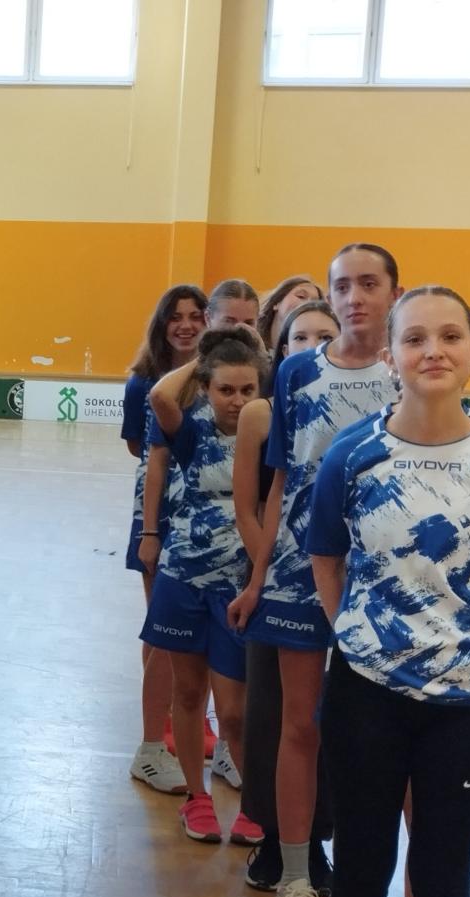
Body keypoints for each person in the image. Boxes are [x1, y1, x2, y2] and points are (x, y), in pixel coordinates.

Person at [309, 286, 470, 897]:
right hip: (366, 697)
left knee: (444, 877)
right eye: (414, 338)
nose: (433, 351)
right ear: (390, 355)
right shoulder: (353, 454)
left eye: (450, 336)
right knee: (360, 869)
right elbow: (326, 556)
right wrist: (361, 640)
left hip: (469, 705)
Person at [228, 243, 401, 897]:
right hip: (297, 574)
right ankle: (296, 879)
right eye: (343, 285)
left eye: (369, 284)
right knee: (298, 724)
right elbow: (282, 485)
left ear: (393, 293)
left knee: (369, 738)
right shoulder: (299, 373)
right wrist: (258, 577)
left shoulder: (406, 371)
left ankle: (360, 893)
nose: (355, 297)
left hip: (382, 583)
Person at [143, 327, 267, 845]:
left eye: (247, 390)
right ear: (208, 388)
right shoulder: (192, 430)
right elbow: (160, 396)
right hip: (183, 578)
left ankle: (255, 803)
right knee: (189, 693)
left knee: (235, 712)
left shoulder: (266, 439)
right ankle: (197, 798)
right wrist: (206, 355)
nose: (236, 400)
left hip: (238, 586)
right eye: (225, 389)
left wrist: (256, 355)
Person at [233, 300, 340, 892]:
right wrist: (265, 573)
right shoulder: (264, 412)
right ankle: (275, 838)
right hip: (276, 578)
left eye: (325, 334)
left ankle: (317, 838)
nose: (311, 345)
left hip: (340, 585)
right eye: (299, 336)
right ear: (280, 347)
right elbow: (257, 502)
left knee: (325, 720)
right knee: (272, 716)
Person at [125, 285, 207, 794]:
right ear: (162, 323)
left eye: (196, 315)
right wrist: (152, 527)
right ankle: (156, 735)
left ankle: (188, 717)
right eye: (176, 316)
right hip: (158, 512)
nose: (186, 325)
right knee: (162, 626)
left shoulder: (223, 379)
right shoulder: (144, 381)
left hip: (208, 520)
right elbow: (139, 446)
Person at [257, 276, 323, 350]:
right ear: (277, 302)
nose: (308, 304)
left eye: (315, 302)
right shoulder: (252, 345)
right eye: (301, 296)